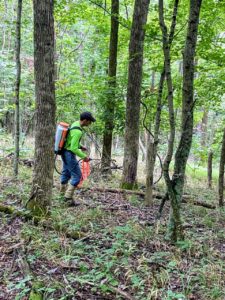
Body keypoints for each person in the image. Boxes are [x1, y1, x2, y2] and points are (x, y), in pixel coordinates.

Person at [60, 111, 96, 202]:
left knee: (66, 173)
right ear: (84, 120)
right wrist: (84, 157)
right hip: (69, 154)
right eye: (89, 121)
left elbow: (70, 140)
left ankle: (61, 195)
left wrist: (80, 146)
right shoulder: (78, 131)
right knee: (77, 176)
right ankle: (67, 199)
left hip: (64, 152)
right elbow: (73, 148)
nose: (90, 123)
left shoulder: (75, 124)